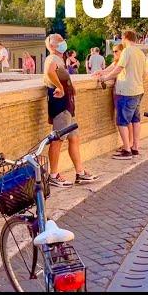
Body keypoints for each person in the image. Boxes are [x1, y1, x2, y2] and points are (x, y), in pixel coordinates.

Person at [42, 33, 98, 185]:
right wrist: (60, 87)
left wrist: (70, 87)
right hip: (60, 104)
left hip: (67, 105)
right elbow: (49, 71)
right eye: (59, 41)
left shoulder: (58, 59)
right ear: (52, 46)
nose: (63, 42)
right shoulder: (52, 59)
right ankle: (53, 176)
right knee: (58, 140)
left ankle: (80, 172)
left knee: (74, 138)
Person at [95, 29, 147, 160]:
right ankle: (135, 147)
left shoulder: (127, 51)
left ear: (125, 38)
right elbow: (144, 74)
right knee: (136, 120)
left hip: (126, 91)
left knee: (122, 122)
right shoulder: (141, 53)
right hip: (139, 90)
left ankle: (126, 150)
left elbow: (119, 68)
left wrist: (105, 78)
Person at [102, 43, 134, 154]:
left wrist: (104, 77)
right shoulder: (117, 62)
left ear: (122, 51)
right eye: (113, 51)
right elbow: (108, 70)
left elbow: (113, 73)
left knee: (124, 120)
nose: (114, 53)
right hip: (121, 93)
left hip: (123, 92)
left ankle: (128, 147)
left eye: (116, 51)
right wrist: (100, 73)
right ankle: (129, 144)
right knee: (127, 120)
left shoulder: (123, 62)